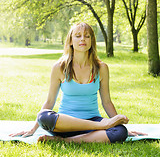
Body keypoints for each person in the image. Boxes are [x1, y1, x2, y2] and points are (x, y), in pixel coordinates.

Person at [10, 22, 143, 143]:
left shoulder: (102, 68)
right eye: (78, 36)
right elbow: (49, 102)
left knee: (120, 132)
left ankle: (65, 141)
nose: (82, 39)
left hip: (92, 122)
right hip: (65, 124)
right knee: (43, 116)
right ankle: (99, 128)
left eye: (87, 36)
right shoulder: (59, 67)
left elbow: (107, 102)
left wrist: (119, 125)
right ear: (71, 41)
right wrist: (32, 129)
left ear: (92, 41)